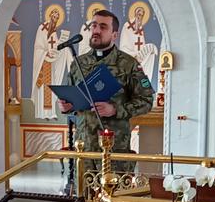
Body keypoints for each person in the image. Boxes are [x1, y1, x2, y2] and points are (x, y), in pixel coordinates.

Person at [59, 9, 154, 154]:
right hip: (84, 147)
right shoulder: (78, 63)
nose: (96, 31)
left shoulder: (129, 64)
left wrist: (115, 109)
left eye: (103, 27)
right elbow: (70, 99)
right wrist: (66, 107)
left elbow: (146, 101)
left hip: (115, 148)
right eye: (94, 26)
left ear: (114, 35)